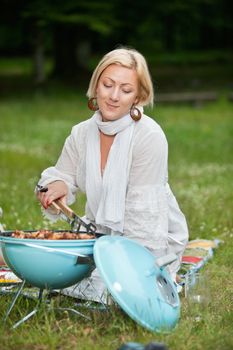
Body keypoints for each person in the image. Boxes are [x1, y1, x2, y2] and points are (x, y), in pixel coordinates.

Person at [36, 47, 188, 302]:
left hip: (148, 238)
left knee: (119, 290)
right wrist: (57, 185)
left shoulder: (149, 137)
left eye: (126, 90)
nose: (114, 96)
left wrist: (112, 265)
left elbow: (144, 228)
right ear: (96, 86)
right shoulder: (81, 133)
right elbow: (60, 174)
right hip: (99, 235)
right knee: (51, 268)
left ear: (138, 96)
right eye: (108, 85)